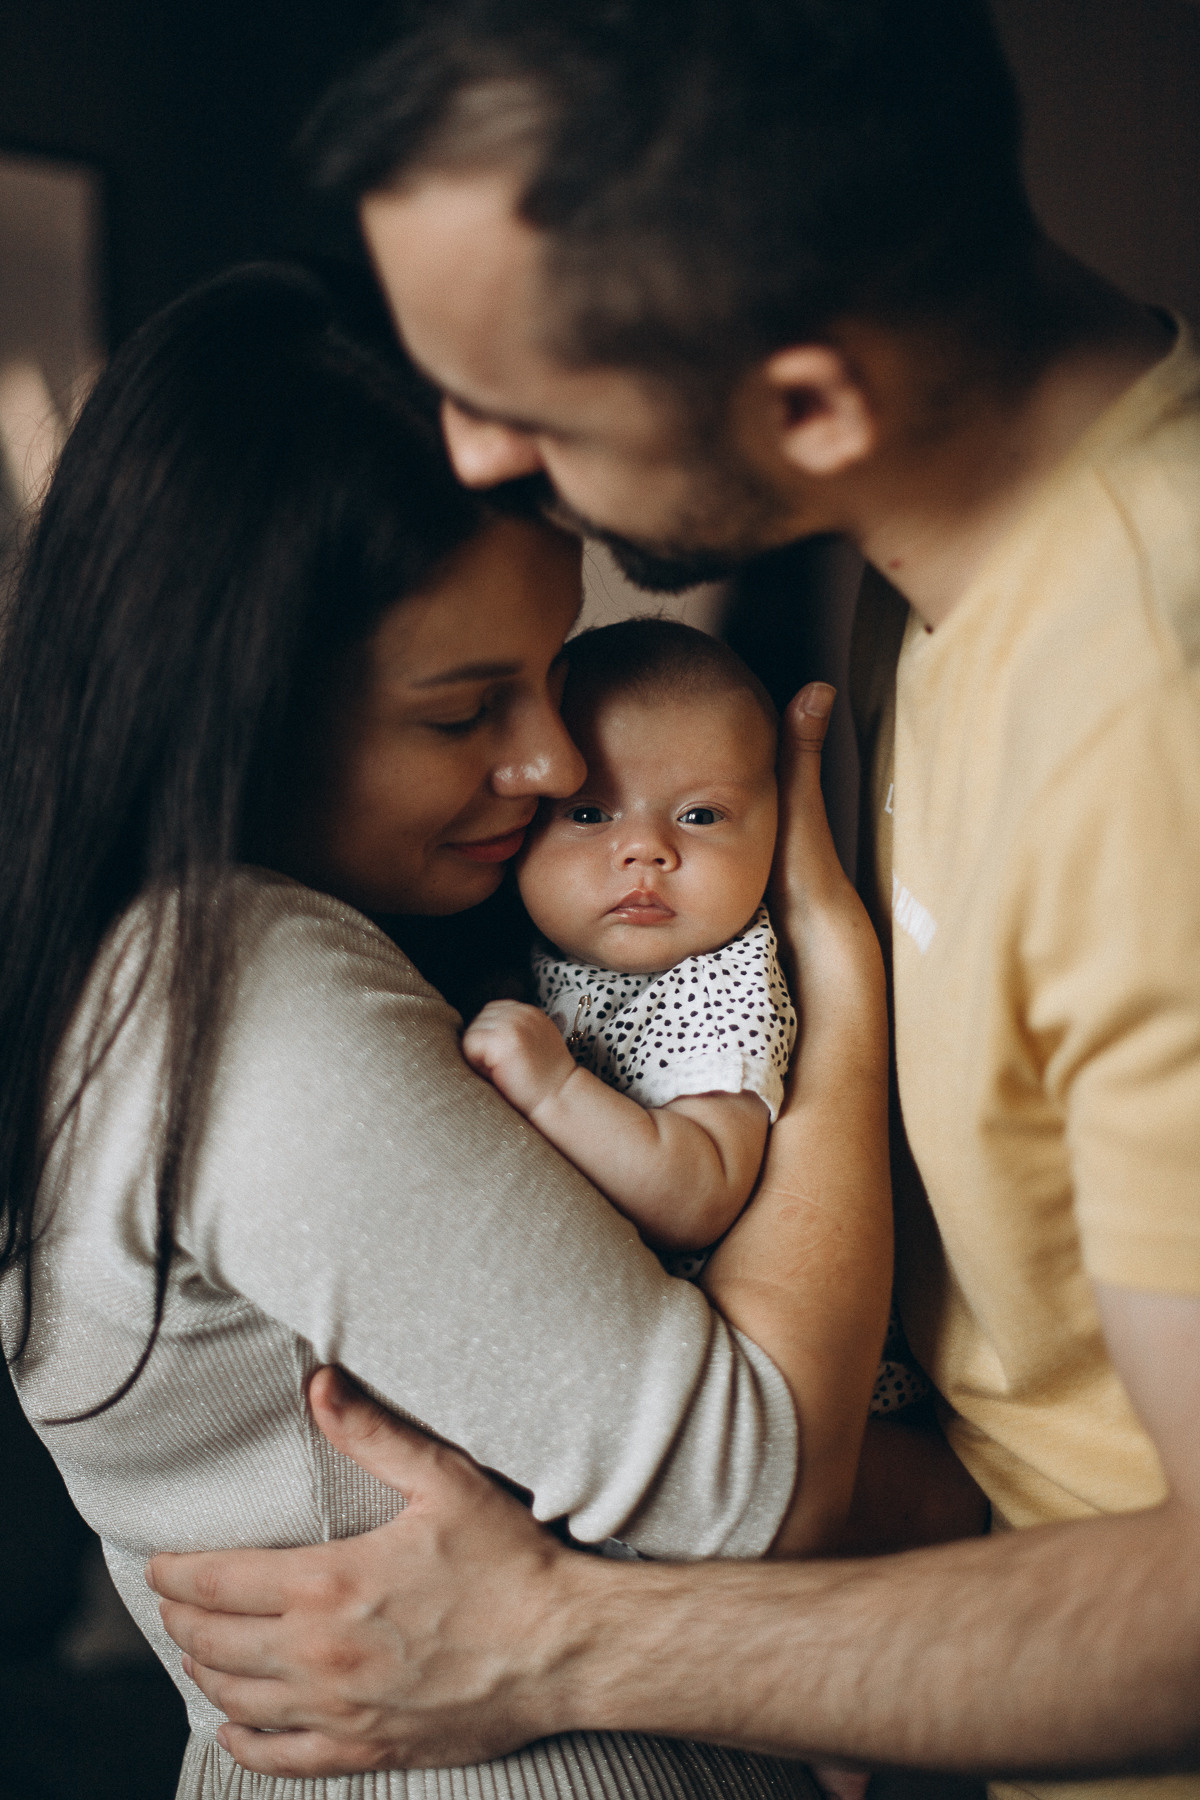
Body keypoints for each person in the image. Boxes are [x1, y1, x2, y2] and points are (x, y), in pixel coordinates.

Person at [147, 1, 1200, 1796]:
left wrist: (562, 1641)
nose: (472, 454)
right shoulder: (942, 562)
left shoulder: (1152, 717)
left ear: (808, 403)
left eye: (525, 405)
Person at [0, 259, 903, 1800]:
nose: (554, 762)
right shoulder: (236, 1001)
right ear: (245, 701)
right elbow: (756, 1488)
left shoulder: (159, 953)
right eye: (462, 710)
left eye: (551, 672)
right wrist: (838, 991)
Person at [465, 619, 798, 1259]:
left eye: (700, 815)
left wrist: (554, 1089)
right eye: (590, 814)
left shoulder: (725, 983)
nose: (645, 849)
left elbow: (699, 1196)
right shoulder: (530, 953)